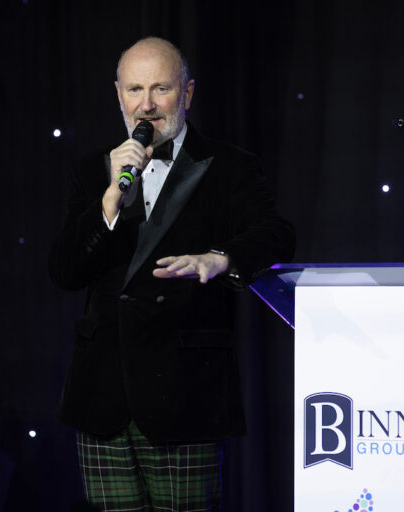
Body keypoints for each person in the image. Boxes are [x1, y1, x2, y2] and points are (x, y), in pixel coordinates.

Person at [49, 36, 295, 511]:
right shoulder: (91, 170)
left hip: (186, 392)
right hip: (102, 393)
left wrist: (221, 257)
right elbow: (64, 271)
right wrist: (106, 207)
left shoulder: (230, 167)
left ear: (186, 94)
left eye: (160, 89)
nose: (146, 104)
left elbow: (277, 234)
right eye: (135, 89)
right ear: (118, 94)